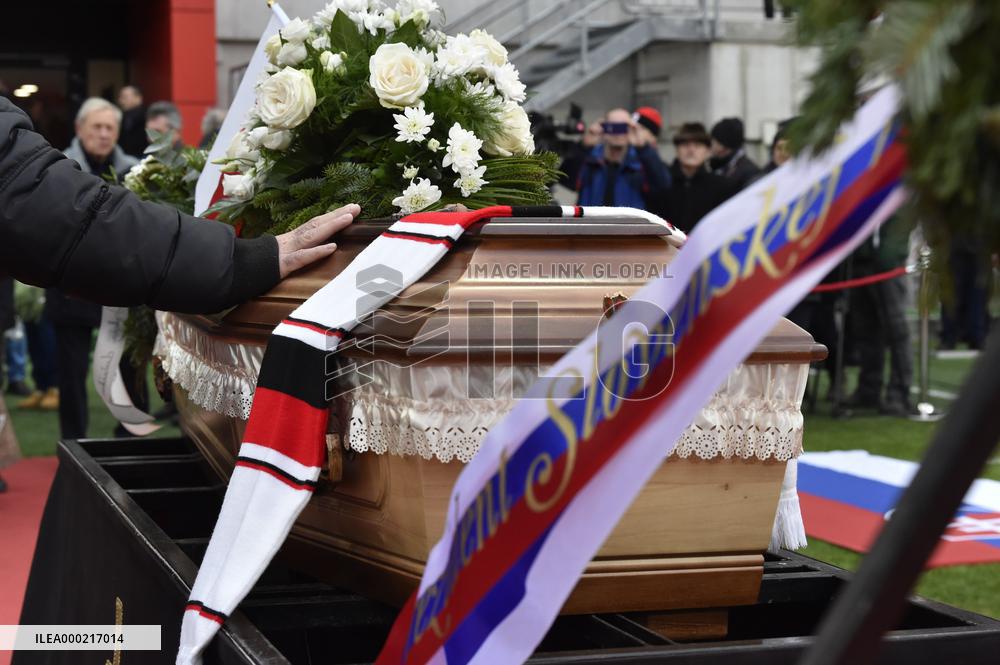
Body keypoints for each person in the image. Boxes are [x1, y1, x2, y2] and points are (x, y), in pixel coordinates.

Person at [1, 96, 359, 433]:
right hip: (83, 291)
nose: (103, 134)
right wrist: (238, 261)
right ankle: (74, 434)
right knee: (72, 371)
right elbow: (69, 217)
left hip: (111, 279)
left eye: (110, 127)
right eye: (96, 127)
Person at [847, 215, 916, 417]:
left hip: (887, 266)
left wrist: (888, 256)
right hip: (863, 263)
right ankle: (869, 389)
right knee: (865, 330)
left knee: (897, 331)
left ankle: (898, 394)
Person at [560, 107, 671, 210]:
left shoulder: (640, 163)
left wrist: (643, 148)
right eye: (613, 128)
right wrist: (583, 147)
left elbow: (662, 186)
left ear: (631, 129)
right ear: (603, 129)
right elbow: (566, 180)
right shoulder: (590, 160)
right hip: (591, 228)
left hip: (629, 229)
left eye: (622, 128)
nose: (618, 134)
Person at [650, 122, 734, 234]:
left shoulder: (721, 187)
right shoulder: (662, 183)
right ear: (677, 149)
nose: (691, 150)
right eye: (685, 145)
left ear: (707, 151)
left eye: (698, 145)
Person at [709, 117, 761, 191]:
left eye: (713, 141)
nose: (710, 145)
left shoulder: (748, 171)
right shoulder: (719, 165)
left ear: (722, 145)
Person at [117, 85, 147, 158]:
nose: (120, 101)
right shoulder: (122, 116)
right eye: (120, 97)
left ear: (138, 98)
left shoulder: (148, 116)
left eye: (124, 97)